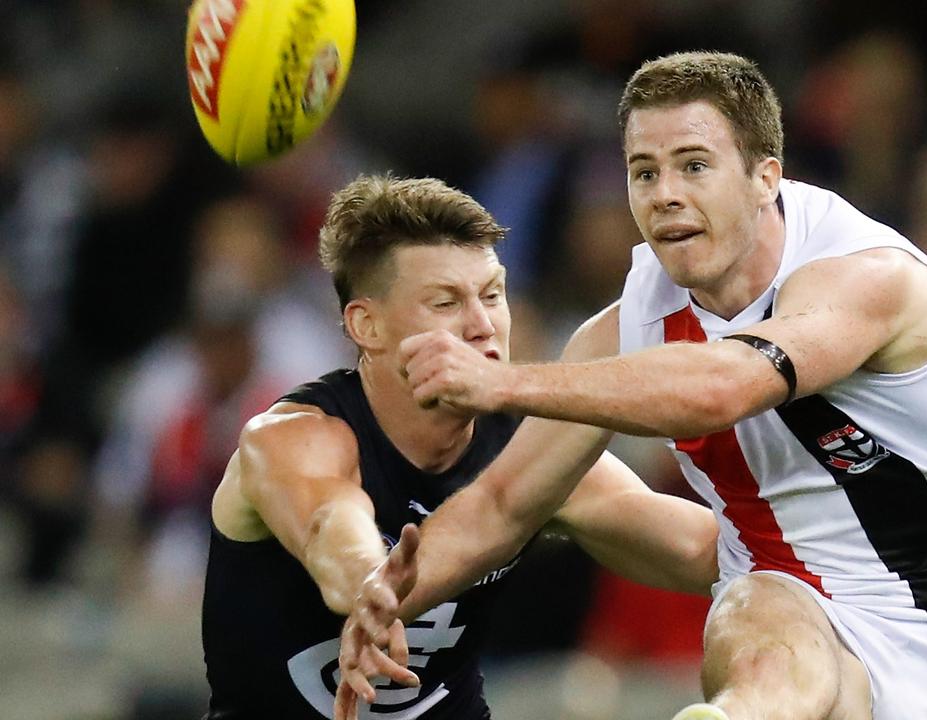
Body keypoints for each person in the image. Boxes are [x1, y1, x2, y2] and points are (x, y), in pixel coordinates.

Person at [338, 52, 927, 720]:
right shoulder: (628, 326)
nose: (666, 196)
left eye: (694, 166)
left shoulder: (867, 275)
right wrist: (384, 603)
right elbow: (499, 503)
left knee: (745, 588)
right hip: (793, 618)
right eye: (644, 172)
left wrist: (502, 383)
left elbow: (726, 385)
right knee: (758, 605)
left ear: (765, 177)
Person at [202, 174, 719, 719]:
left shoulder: (525, 451)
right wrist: (369, 582)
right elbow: (328, 523)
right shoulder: (290, 437)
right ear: (366, 324)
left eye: (493, 295)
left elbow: (700, 549)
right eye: (446, 302)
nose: (483, 326)